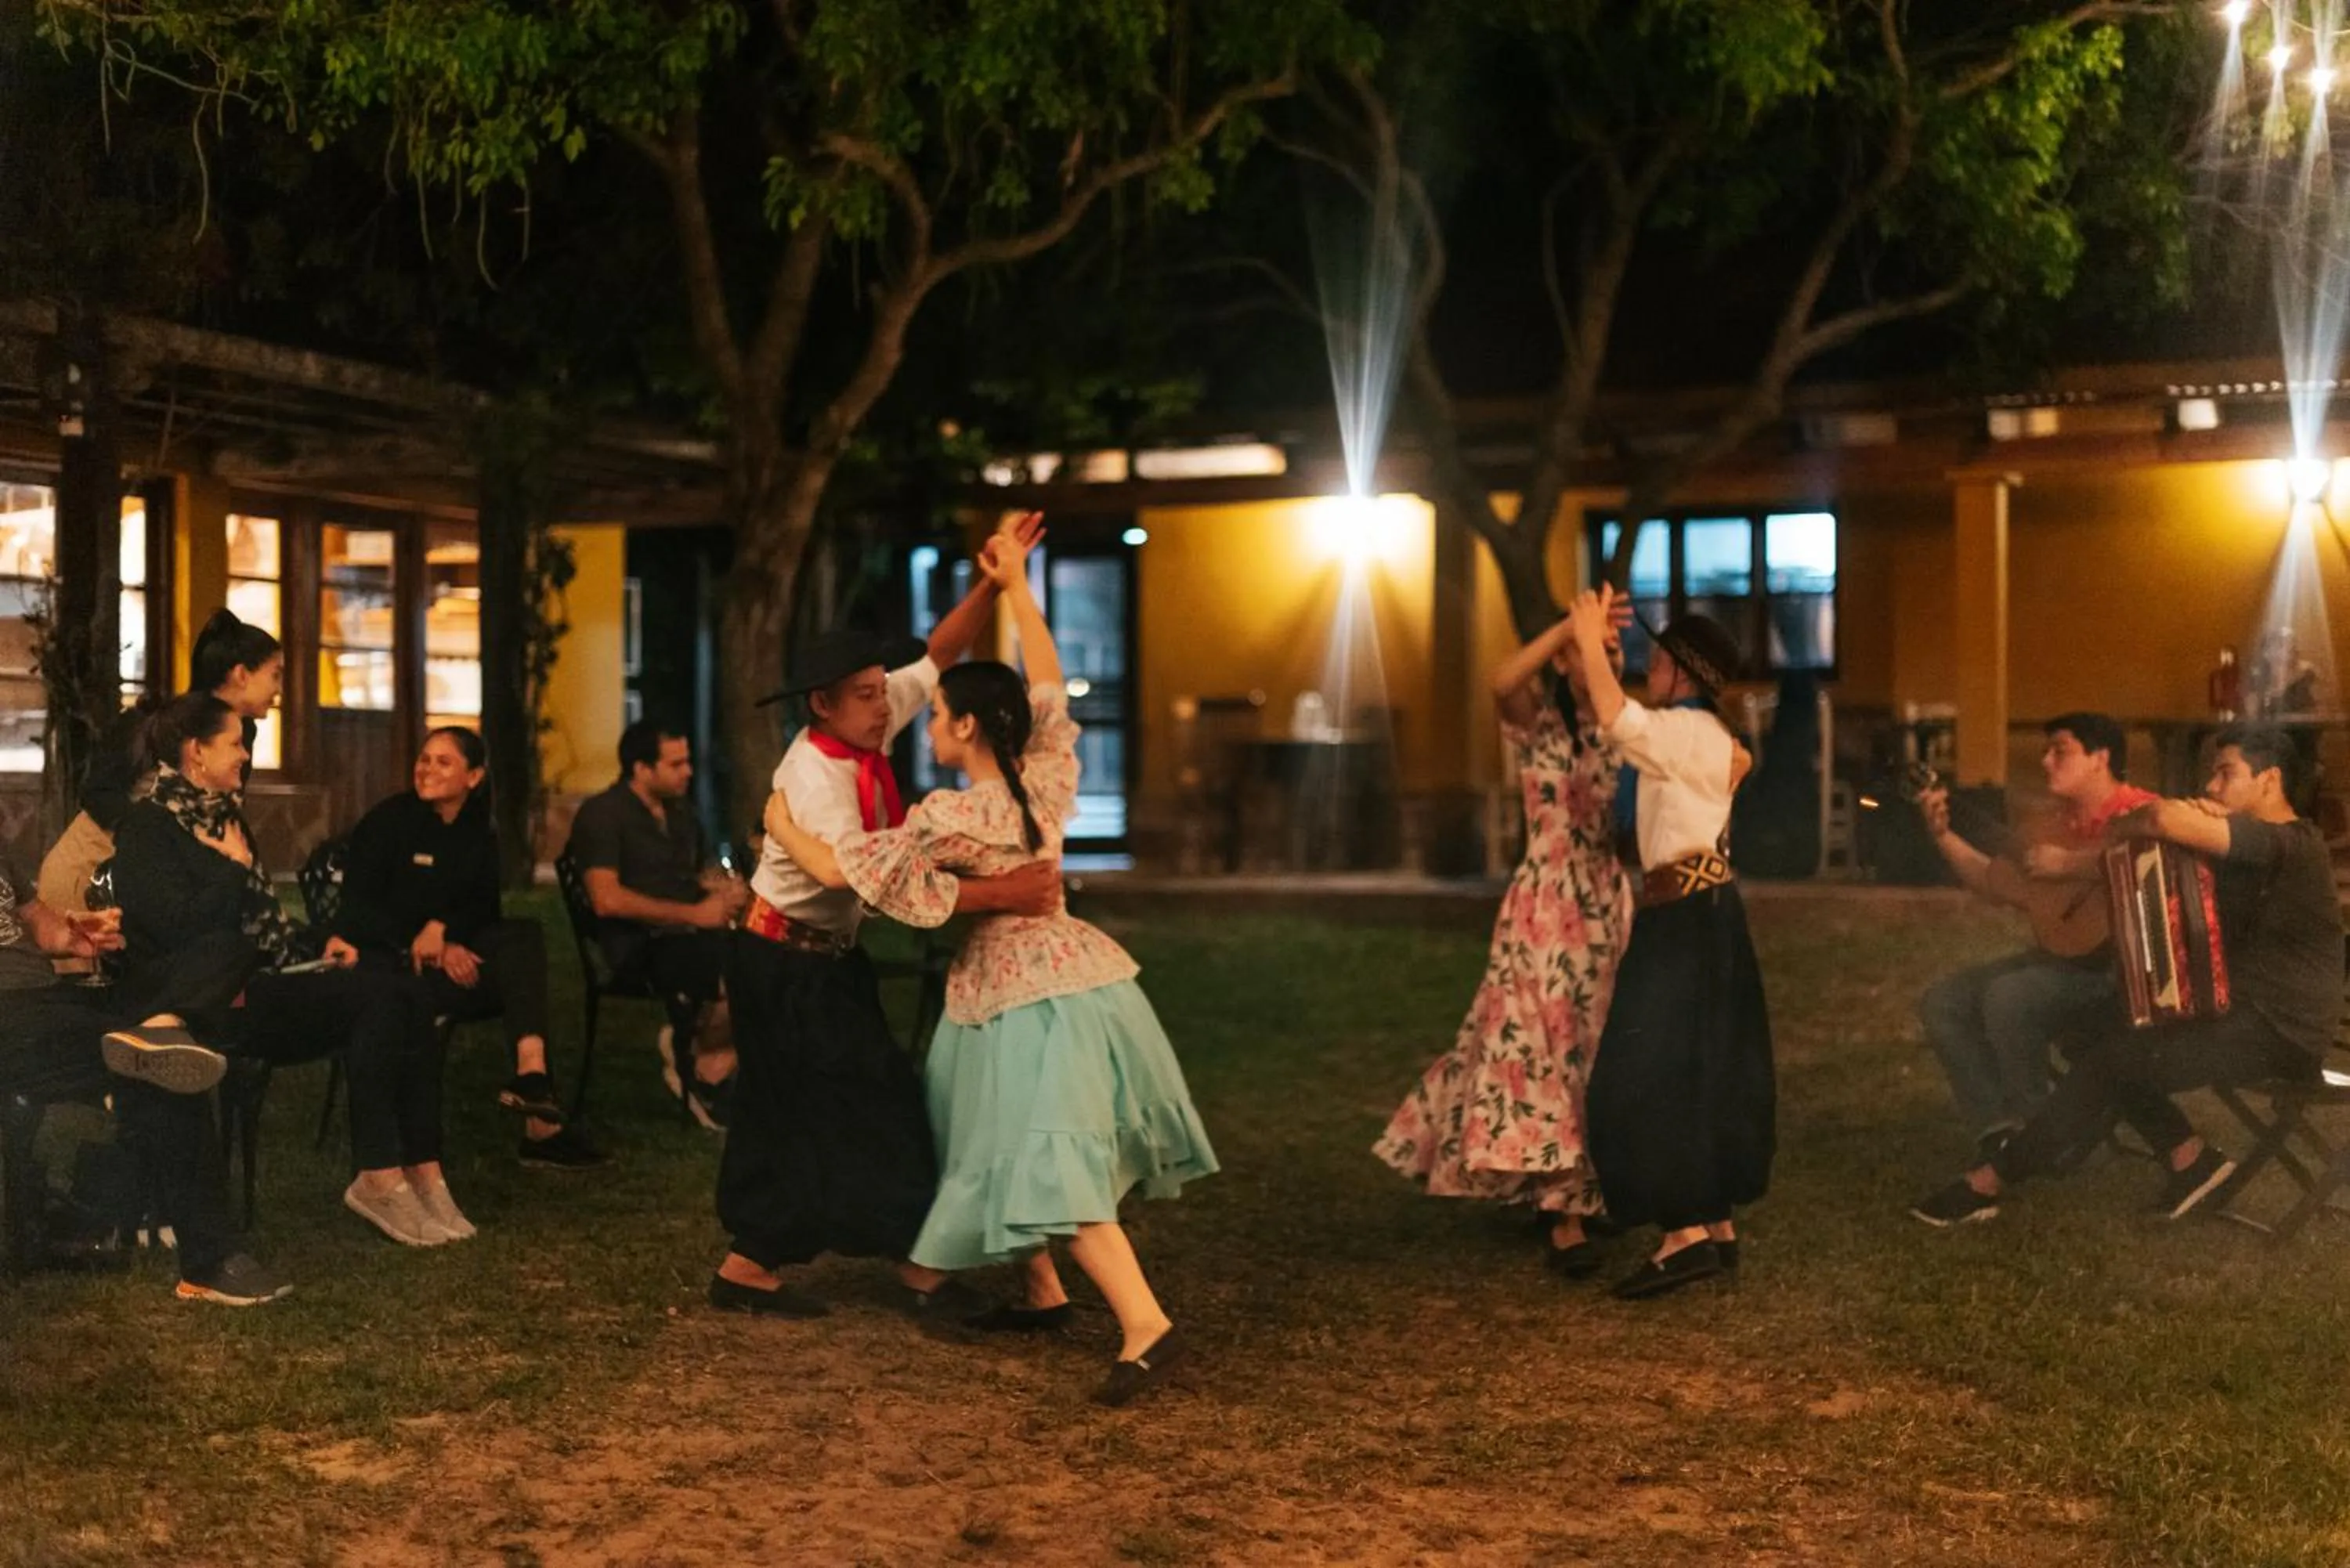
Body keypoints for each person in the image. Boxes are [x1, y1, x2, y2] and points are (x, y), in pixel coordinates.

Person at [762, 518, 1216, 1406]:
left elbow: (849, 870)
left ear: (967, 725)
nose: (924, 722)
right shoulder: (1044, 778)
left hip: (1019, 996)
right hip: (1069, 975)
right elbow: (1046, 684)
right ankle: (1041, 1290)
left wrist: (779, 825)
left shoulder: (954, 814)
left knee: (1046, 1154)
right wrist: (1016, 588)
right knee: (996, 1135)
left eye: (936, 714)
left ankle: (1146, 1325)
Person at [707, 510, 1060, 1321]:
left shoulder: (866, 721)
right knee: (871, 1098)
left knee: (805, 1103)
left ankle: (753, 1264)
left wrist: (992, 582)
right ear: (823, 705)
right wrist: (1001, 895)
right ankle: (915, 1266)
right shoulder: (814, 781)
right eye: (867, 696)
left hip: (824, 956)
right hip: (783, 959)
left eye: (880, 690)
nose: (885, 705)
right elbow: (877, 887)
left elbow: (938, 655)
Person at [1911, 725, 2344, 1227]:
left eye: (2226, 774)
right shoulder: (2243, 846)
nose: (2211, 787)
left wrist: (2145, 822)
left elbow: (2158, 817)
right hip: (2234, 1012)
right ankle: (2190, 1159)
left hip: (2280, 1034)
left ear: (2269, 781)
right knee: (2087, 1031)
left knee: (2114, 1061)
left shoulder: (2291, 842)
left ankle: (1990, 1179)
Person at [112, 692, 465, 1247]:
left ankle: (423, 1169)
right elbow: (178, 929)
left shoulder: (222, 816)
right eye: (234, 744)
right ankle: (377, 1176)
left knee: (410, 994)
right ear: (196, 751)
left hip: (265, 982)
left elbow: (262, 921)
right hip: (215, 1006)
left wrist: (320, 942)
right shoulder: (148, 826)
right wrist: (232, 867)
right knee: (378, 1000)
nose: (244, 755)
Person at [1374, 598, 1634, 1277]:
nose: (1606, 660)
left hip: (1605, 902)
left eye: (1613, 652)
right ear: (1565, 661)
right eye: (1591, 651)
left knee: (1594, 1046)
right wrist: (1568, 626)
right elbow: (1500, 681)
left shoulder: (1623, 731)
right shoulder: (1540, 724)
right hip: (1545, 905)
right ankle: (1562, 1212)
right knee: (1542, 1046)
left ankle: (1583, 1189)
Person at [1566, 587, 1774, 1300]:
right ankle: (1714, 1223)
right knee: (1697, 1066)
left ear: (1682, 672)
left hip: (1685, 918)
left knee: (1638, 1074)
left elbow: (1616, 717)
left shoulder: (1688, 731)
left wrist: (1587, 637)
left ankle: (1684, 1235)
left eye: (1656, 661)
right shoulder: (1701, 735)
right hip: (1700, 914)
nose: (1647, 670)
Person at [0, 860, 287, 1302]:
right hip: (11, 1017)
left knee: (224, 950)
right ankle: (210, 1263)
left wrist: (69, 934)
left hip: (52, 996)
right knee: (157, 1062)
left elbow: (33, 917)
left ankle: (162, 1025)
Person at [336, 726, 604, 1170]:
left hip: (449, 969)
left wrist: (446, 932)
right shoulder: (390, 821)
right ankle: (541, 1124)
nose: (427, 769)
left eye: (443, 762)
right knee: (518, 967)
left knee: (521, 937)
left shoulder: (476, 829)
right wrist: (425, 943)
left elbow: (483, 908)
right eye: (424, 759)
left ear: (474, 777)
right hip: (395, 970)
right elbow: (356, 912)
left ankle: (531, 1077)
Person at [1914, 713, 2158, 1161]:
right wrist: (1942, 834)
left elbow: (2155, 857)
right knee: (1943, 1001)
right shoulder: (2048, 826)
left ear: (2100, 758)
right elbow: (1990, 880)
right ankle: (1999, 1131)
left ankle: (2047, 1136)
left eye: (2060, 751)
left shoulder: (2145, 811)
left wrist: (2070, 865)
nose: (2046, 761)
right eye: (2046, 751)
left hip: (2125, 972)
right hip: (2063, 959)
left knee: (2010, 997)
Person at [563, 719, 747, 1128]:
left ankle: (703, 1054)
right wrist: (695, 914)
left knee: (777, 961)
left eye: (687, 762)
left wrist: (720, 890)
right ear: (642, 769)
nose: (688, 772)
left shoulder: (679, 813)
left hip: (688, 934)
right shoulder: (604, 814)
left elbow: (689, 876)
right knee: (740, 971)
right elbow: (606, 899)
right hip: (639, 943)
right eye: (676, 764)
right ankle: (705, 1068)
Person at [39, 609, 283, 914]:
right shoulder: (166, 723)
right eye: (275, 674)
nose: (279, 689)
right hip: (88, 875)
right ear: (242, 675)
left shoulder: (241, 732)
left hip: (141, 883)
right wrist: (154, 837)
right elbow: (97, 793)